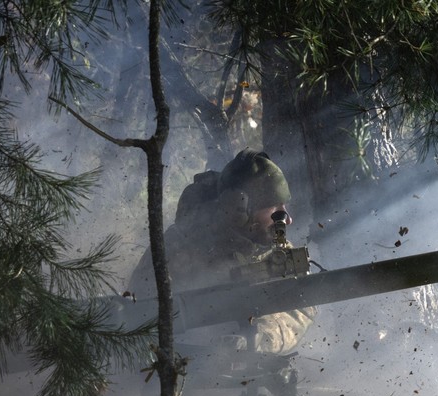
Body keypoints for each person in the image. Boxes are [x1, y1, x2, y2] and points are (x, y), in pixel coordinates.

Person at [128, 149, 315, 356]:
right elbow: (137, 317)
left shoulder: (277, 249)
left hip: (254, 370)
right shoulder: (178, 246)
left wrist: (261, 337)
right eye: (275, 209)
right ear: (240, 209)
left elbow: (302, 307)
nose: (287, 219)